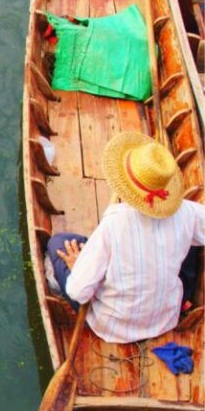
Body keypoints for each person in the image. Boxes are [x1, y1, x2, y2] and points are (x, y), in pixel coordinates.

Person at [46, 131, 205, 344]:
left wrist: (77, 266)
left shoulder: (113, 222)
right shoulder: (186, 212)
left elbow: (78, 292)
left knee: (57, 242)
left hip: (112, 326)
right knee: (192, 242)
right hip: (166, 319)